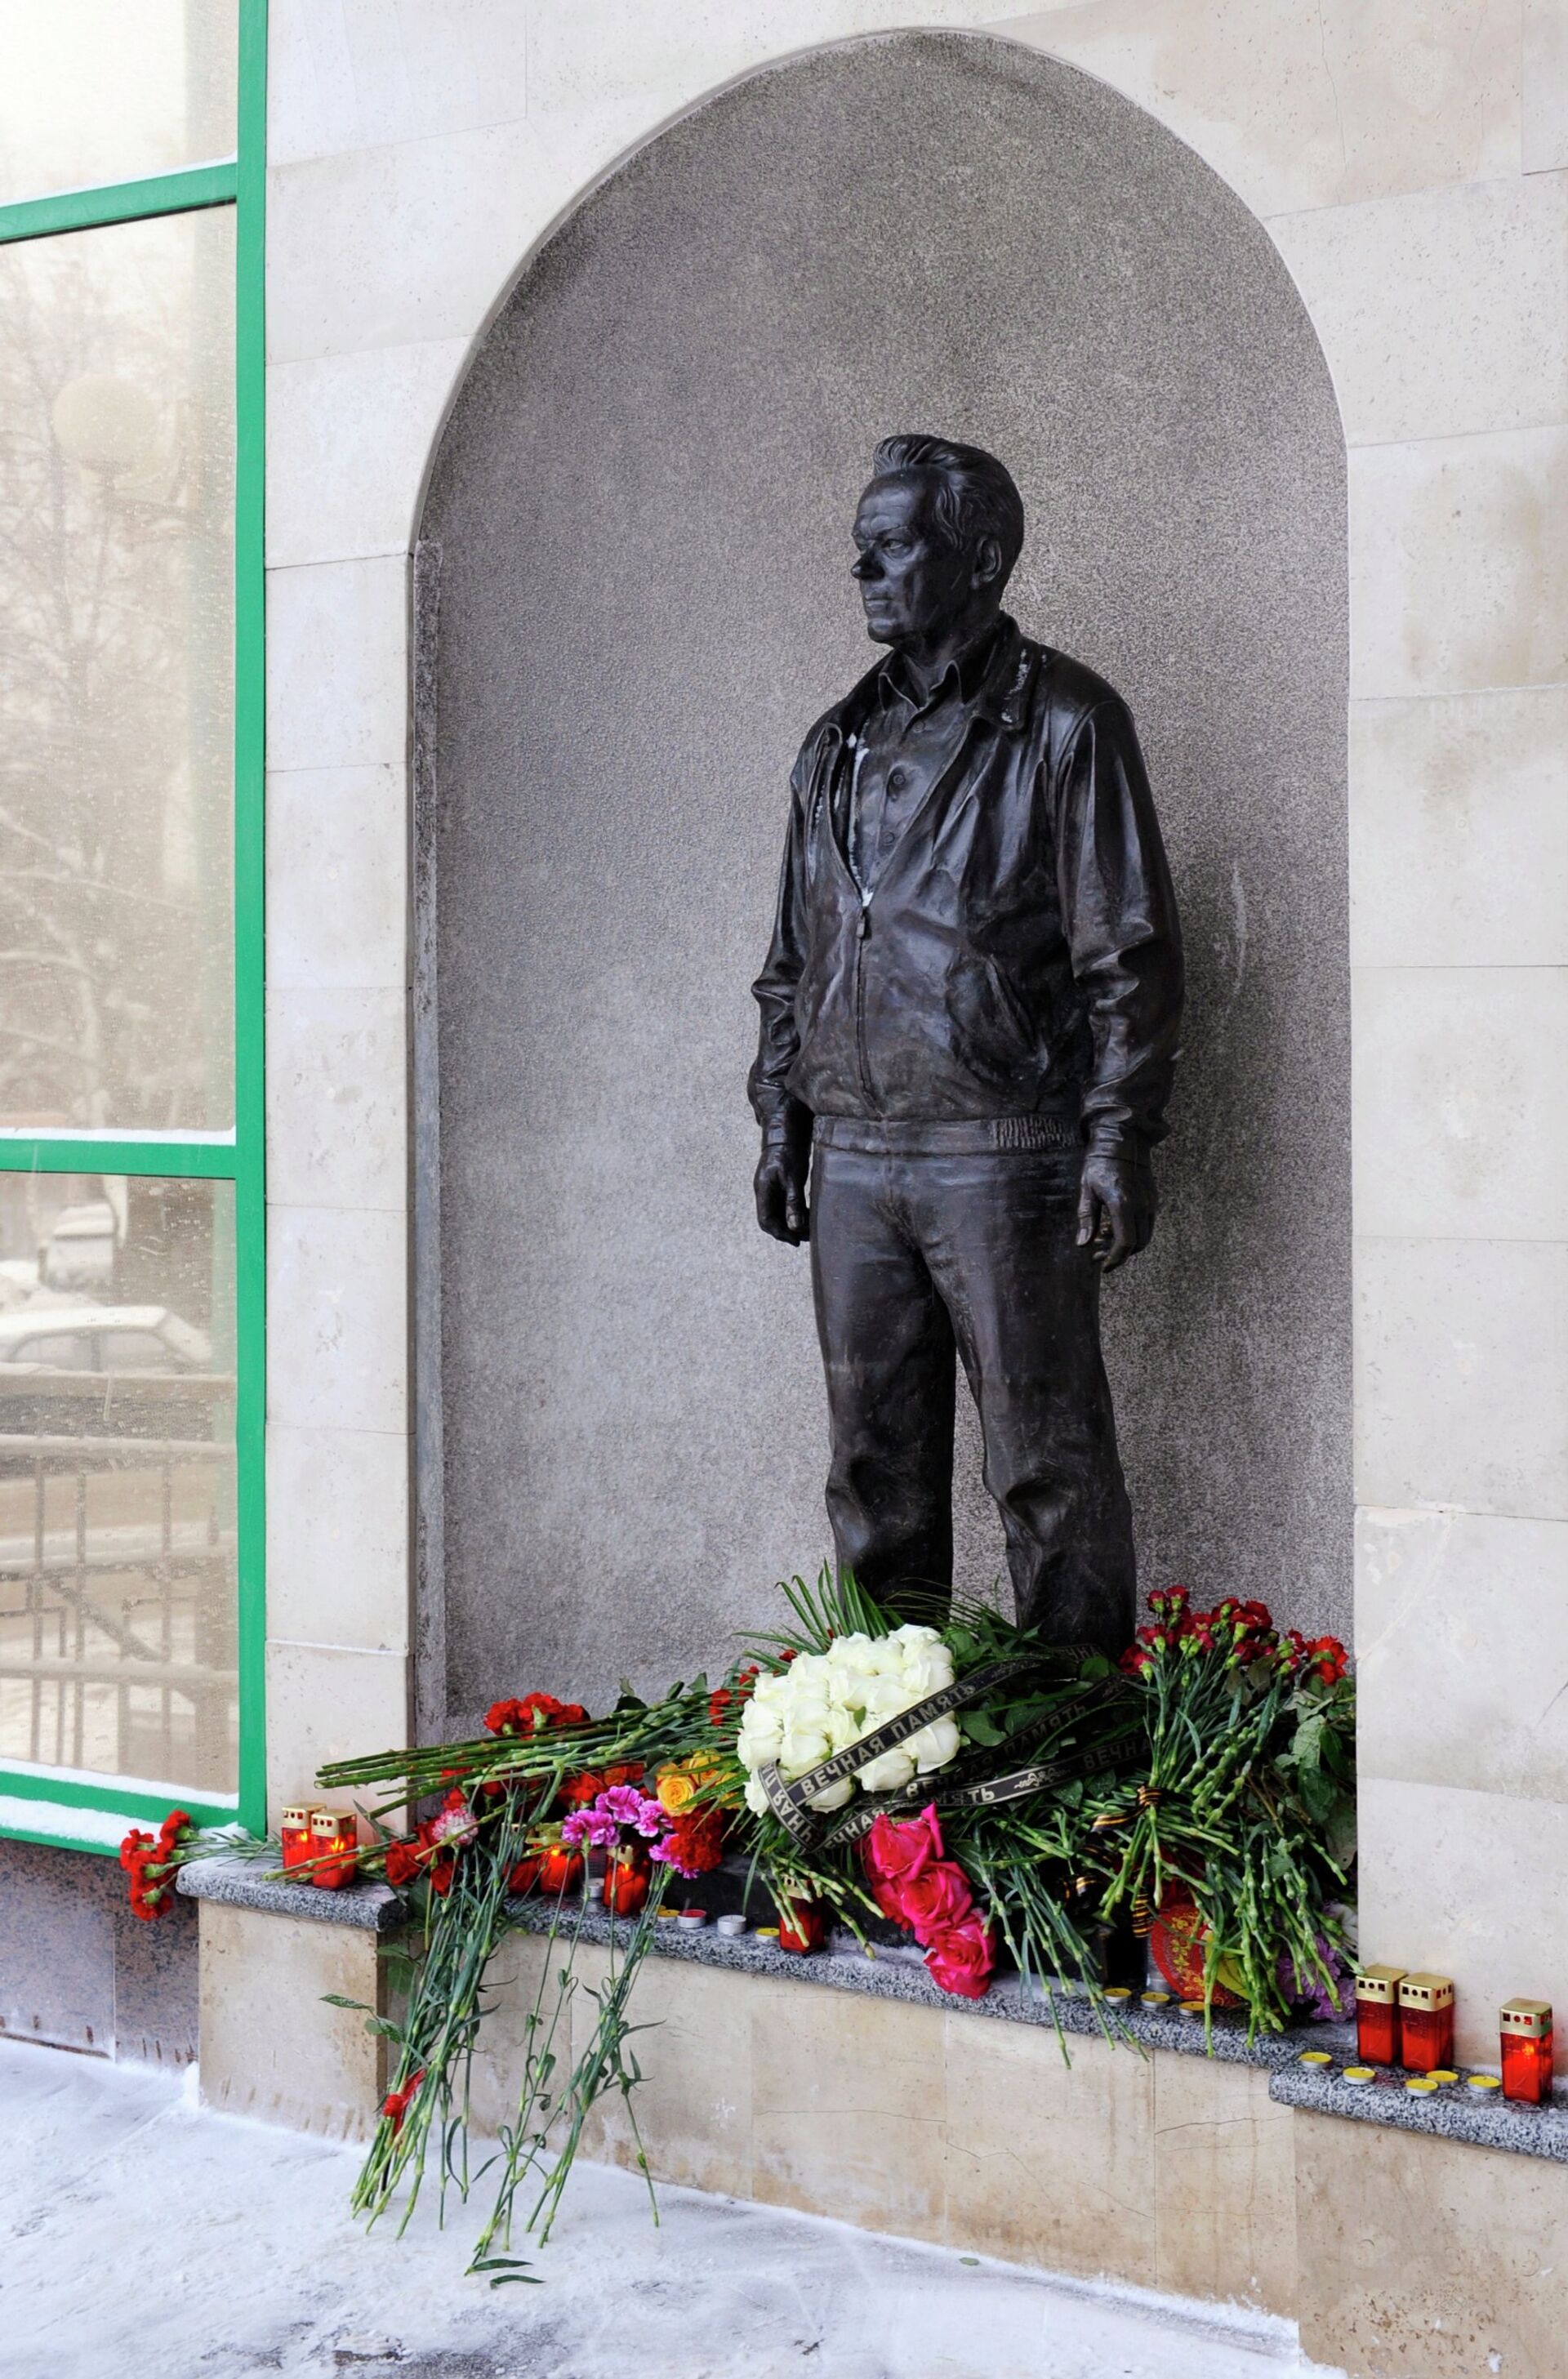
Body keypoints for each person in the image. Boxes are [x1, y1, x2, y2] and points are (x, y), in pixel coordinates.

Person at [748, 435, 1183, 1651]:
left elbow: (1129, 955)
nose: (861, 569)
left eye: (891, 546)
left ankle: (1079, 1723)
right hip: (854, 1158)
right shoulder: (835, 743)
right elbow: (792, 956)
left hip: (1004, 1151)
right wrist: (783, 1119)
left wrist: (1117, 1139)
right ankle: (886, 1722)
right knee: (870, 1475)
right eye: (861, 546)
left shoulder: (1067, 722)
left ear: (980, 558)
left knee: (1048, 1468)